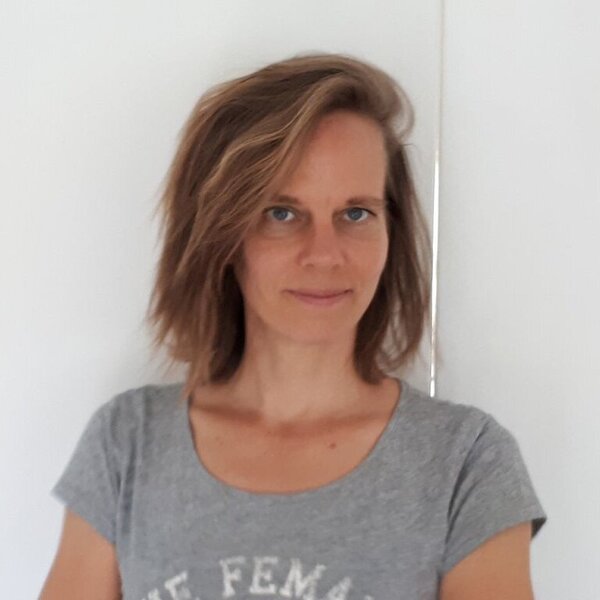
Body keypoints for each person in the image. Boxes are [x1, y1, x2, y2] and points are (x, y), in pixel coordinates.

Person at [40, 52, 547, 599]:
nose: (324, 254)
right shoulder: (127, 444)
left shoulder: (465, 462)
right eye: (281, 213)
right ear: (221, 235)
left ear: (391, 232)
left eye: (356, 213)